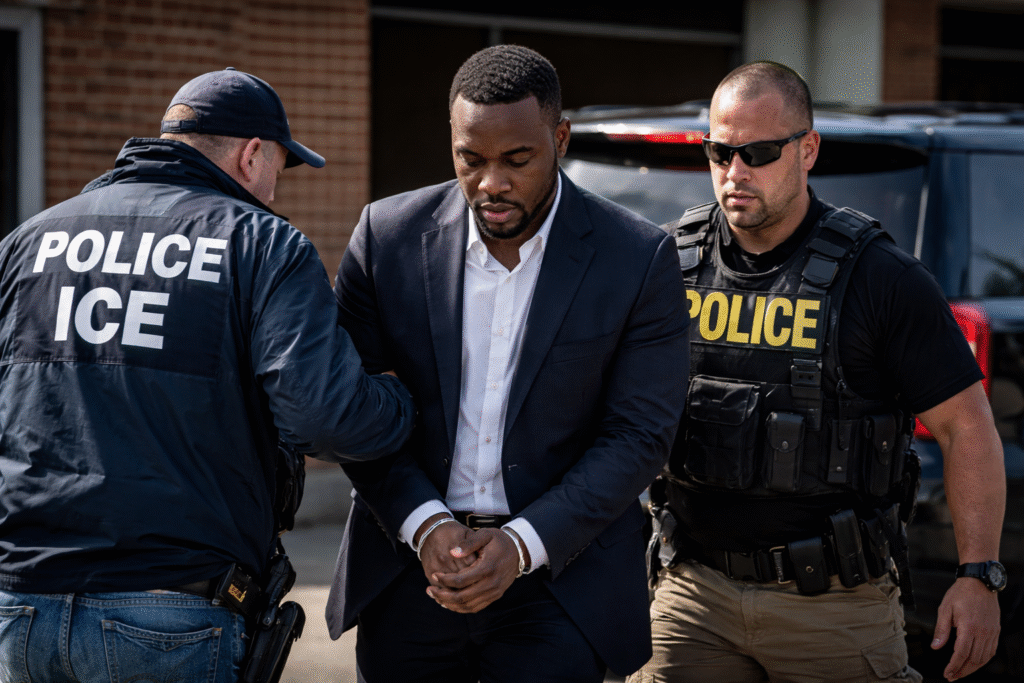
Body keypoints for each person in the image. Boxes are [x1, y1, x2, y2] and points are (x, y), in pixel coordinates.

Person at [0, 68, 415, 682]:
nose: (274, 190)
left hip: (20, 608)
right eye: (278, 167)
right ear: (251, 156)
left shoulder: (29, 241)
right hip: (171, 613)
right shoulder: (262, 244)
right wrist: (397, 398)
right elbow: (322, 415)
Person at [630, 61, 1007, 683]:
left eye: (758, 152)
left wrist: (979, 575)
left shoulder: (883, 280)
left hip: (832, 605)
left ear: (808, 150)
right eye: (720, 151)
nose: (735, 171)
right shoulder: (666, 265)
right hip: (692, 594)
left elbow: (967, 427)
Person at [325, 44, 689, 682]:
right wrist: (425, 524)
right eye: (471, 159)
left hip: (559, 584)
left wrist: (522, 545)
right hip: (411, 573)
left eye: (517, 159)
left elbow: (638, 437)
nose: (491, 183)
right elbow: (353, 410)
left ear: (559, 139)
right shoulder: (386, 238)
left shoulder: (636, 259)